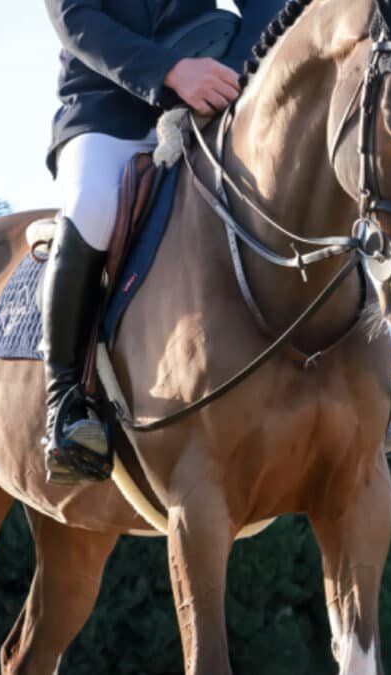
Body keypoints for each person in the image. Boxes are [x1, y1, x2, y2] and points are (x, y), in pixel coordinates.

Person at [42, 0, 285, 484]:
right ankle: (66, 401)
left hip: (211, 101)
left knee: (296, 182)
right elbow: (76, 20)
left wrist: (238, 70)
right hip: (105, 109)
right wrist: (171, 72)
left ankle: (363, 386)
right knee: (92, 206)